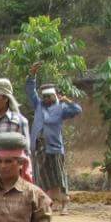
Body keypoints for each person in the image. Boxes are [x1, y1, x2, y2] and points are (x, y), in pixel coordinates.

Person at [31, 83, 82, 213]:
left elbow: (77, 110)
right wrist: (32, 77)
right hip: (39, 147)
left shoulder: (61, 108)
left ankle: (65, 203)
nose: (47, 99)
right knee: (43, 176)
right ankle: (48, 203)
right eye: (45, 96)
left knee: (59, 176)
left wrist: (67, 101)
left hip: (54, 147)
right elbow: (30, 91)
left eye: (49, 96)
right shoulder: (38, 106)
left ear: (55, 96)